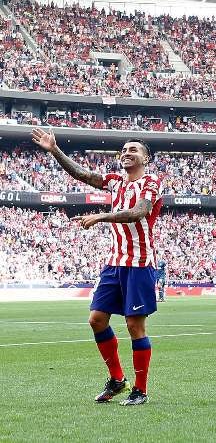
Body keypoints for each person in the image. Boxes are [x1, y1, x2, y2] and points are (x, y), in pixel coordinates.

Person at [31, 128, 162, 406]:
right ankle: (117, 380)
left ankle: (140, 390)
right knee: (96, 320)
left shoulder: (151, 183)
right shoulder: (115, 182)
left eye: (134, 150)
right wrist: (55, 150)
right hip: (114, 263)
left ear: (146, 159)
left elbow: (138, 212)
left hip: (138, 264)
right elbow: (83, 174)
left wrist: (102, 216)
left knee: (134, 326)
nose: (127, 153)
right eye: (124, 150)